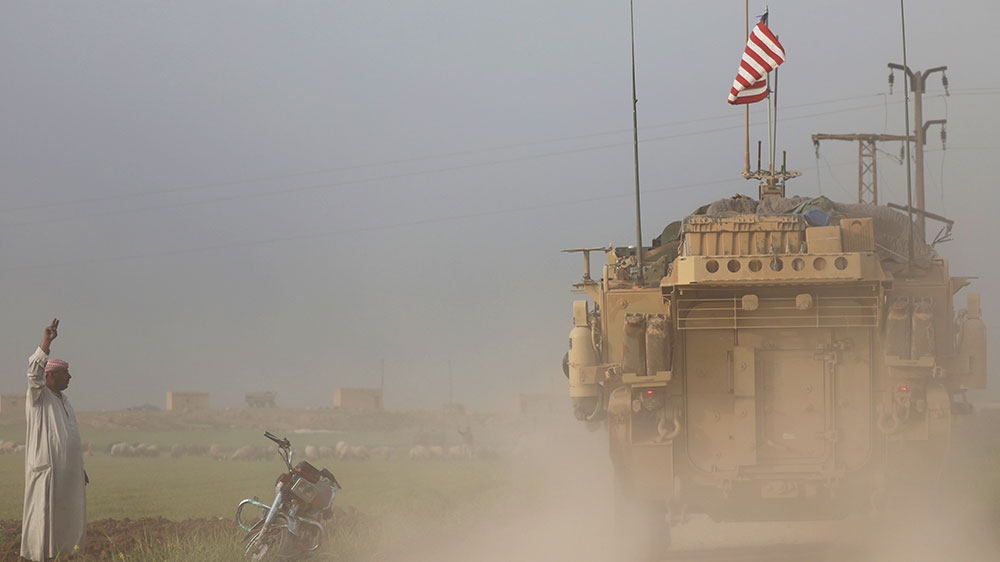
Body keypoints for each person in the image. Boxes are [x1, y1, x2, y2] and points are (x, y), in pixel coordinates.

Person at [21, 318, 87, 561]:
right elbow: (33, 372)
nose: (69, 376)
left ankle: (66, 555)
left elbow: (68, 437)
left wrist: (79, 468)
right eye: (65, 373)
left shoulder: (64, 401)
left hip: (67, 473)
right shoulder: (39, 396)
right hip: (46, 471)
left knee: (68, 517)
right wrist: (46, 342)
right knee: (44, 518)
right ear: (50, 375)